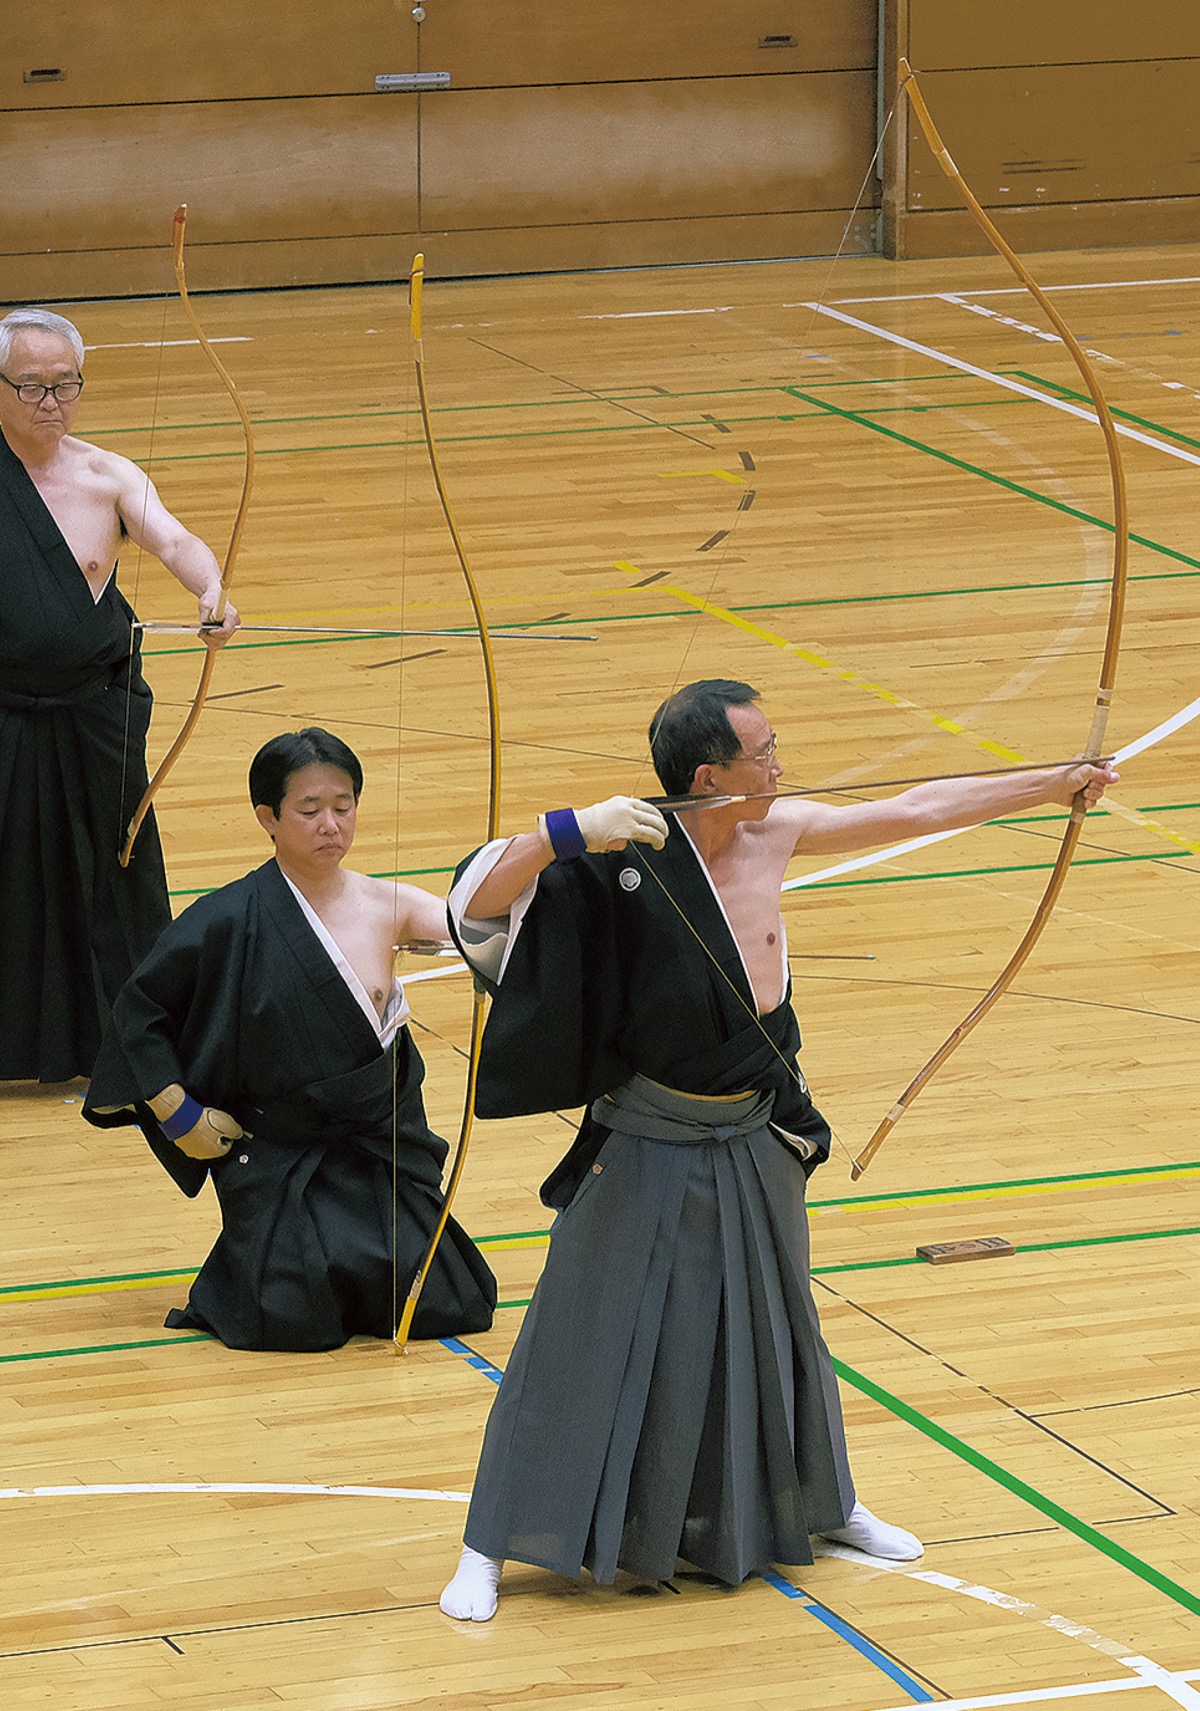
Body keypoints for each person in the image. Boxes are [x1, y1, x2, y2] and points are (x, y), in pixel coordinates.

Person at [438, 678, 1118, 1619]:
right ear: (710, 774)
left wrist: (1053, 782)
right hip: (648, 1132)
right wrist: (571, 829)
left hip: (755, 1125)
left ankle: (823, 1502)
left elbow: (912, 807)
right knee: (582, 1329)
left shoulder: (775, 830)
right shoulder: (626, 852)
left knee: (780, 1324)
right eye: (764, 753)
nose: (780, 766)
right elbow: (470, 900)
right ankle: (489, 1541)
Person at [82, 728, 497, 1351]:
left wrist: (554, 842)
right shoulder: (225, 919)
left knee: (449, 1300)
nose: (330, 824)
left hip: (375, 1151)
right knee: (286, 1315)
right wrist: (178, 1111)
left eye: (343, 806)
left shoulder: (389, 904)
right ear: (267, 818)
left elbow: (475, 923)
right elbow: (137, 1011)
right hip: (279, 1159)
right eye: (309, 810)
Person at [0, 305, 238, 1083]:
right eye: (31, 387)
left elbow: (174, 539)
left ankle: (132, 1041)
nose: (51, 403)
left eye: (65, 385)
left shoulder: (107, 474)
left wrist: (210, 591)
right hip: (4, 718)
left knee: (110, 875)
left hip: (93, 719)